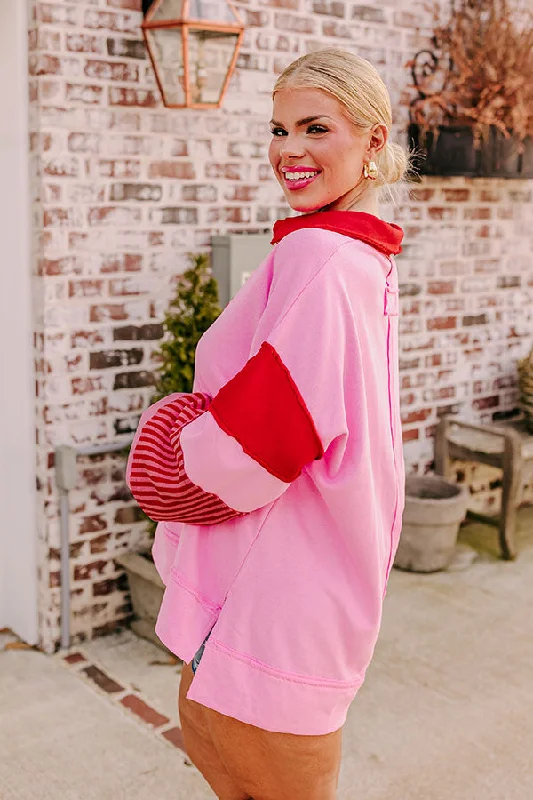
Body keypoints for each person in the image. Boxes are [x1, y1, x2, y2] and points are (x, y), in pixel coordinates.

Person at [127, 47, 408, 800]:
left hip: (276, 585)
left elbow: (261, 439)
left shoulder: (323, 257)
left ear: (373, 140)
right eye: (277, 129)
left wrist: (164, 441)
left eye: (314, 128)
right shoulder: (355, 255)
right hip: (299, 573)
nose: (288, 151)